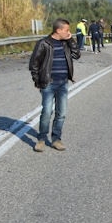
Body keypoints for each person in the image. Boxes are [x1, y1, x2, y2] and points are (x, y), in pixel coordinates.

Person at [29, 18, 81, 152]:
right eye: (67, 30)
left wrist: (70, 40)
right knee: (47, 112)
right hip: (48, 84)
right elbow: (34, 64)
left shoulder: (66, 43)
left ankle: (56, 139)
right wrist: (38, 81)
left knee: (61, 113)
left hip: (63, 83)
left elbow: (77, 55)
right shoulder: (44, 43)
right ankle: (41, 139)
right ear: (58, 30)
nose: (69, 32)